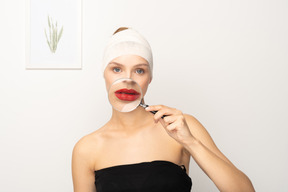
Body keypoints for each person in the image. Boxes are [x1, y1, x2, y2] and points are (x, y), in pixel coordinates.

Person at [72, 27, 255, 192]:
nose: (128, 79)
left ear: (150, 77)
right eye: (117, 69)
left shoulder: (181, 126)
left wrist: (190, 142)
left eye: (139, 71)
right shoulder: (86, 148)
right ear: (104, 73)